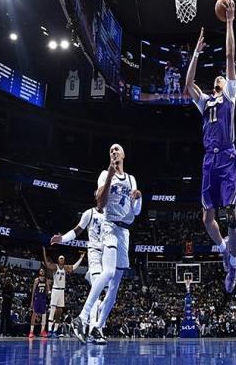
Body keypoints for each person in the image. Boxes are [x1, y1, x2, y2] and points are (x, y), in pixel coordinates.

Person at [184, 0, 236, 293]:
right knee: (207, 217)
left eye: (222, 77)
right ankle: (224, 251)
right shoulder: (205, 101)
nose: (220, 77)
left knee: (231, 212)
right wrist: (196, 52)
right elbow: (187, 84)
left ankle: (235, 261)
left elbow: (230, 57)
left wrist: (229, 22)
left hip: (228, 156)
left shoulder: (230, 94)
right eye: (217, 77)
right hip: (209, 159)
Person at [72, 143, 142, 344]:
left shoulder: (131, 179)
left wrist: (138, 198)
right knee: (109, 272)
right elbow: (101, 204)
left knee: (115, 287)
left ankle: (98, 327)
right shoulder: (104, 174)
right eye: (111, 150)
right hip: (109, 226)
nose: (113, 151)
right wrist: (110, 175)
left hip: (124, 232)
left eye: (117, 149)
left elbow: (136, 211)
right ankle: (82, 317)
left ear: (124, 154)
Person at [50, 206, 107, 343]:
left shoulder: (112, 213)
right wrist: (62, 239)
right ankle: (93, 330)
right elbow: (77, 231)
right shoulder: (90, 213)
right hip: (94, 253)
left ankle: (93, 327)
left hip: (108, 256)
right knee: (96, 292)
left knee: (107, 295)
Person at [43, 247, 85, 338]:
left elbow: (74, 267)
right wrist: (44, 253)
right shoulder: (55, 267)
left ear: (64, 260)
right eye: (60, 258)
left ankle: (55, 331)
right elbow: (47, 264)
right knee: (52, 311)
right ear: (58, 260)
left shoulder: (65, 268)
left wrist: (81, 258)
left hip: (62, 291)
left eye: (63, 258)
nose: (61, 260)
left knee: (59, 312)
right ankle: (49, 330)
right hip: (55, 290)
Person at [28, 268, 49, 338]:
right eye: (41, 271)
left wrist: (49, 291)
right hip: (37, 299)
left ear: (44, 272)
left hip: (43, 299)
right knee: (34, 314)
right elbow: (33, 291)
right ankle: (31, 332)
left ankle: (42, 331)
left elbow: (47, 291)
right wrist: (32, 301)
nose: (42, 272)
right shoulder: (36, 280)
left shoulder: (46, 280)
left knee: (44, 314)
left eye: (43, 271)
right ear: (39, 272)